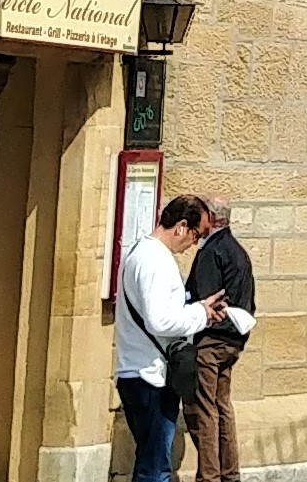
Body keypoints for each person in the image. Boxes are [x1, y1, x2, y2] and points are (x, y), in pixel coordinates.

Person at [116, 195, 226, 482]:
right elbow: (159, 320)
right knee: (155, 468)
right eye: (197, 234)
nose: (194, 244)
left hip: (139, 369)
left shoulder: (140, 251)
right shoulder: (156, 261)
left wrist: (196, 310)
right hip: (150, 374)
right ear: (181, 227)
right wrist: (200, 314)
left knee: (151, 459)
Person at [181, 196, 258, 481]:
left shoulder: (212, 251)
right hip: (233, 340)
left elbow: (201, 297)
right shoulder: (238, 251)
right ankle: (230, 474)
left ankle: (210, 477)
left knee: (205, 410)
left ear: (212, 218)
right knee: (222, 406)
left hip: (211, 341)